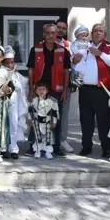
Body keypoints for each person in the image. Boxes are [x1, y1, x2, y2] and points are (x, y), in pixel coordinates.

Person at [72, 23, 110, 158]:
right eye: (95, 31)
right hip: (85, 89)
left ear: (105, 34)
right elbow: (74, 62)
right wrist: (74, 61)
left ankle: (107, 148)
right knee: (86, 120)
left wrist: (100, 54)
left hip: (102, 89)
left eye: (101, 31)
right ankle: (86, 147)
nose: (98, 33)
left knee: (103, 121)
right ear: (91, 33)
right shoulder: (83, 44)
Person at [26, 23, 70, 156]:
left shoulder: (63, 50)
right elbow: (31, 70)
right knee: (36, 117)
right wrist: (31, 89)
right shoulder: (36, 49)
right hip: (39, 89)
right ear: (44, 34)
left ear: (57, 34)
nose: (51, 35)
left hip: (56, 90)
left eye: (53, 33)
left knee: (55, 118)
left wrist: (65, 90)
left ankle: (56, 147)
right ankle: (33, 146)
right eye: (48, 33)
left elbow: (66, 71)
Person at [3, 46, 29, 159]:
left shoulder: (17, 76)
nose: (10, 65)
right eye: (7, 63)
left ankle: (13, 148)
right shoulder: (1, 73)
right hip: (2, 102)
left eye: (12, 63)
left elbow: (21, 88)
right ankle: (3, 148)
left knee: (13, 124)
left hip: (14, 103)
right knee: (3, 125)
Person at [55, 19, 75, 154]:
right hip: (49, 85)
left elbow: (73, 65)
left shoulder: (69, 45)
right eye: (59, 27)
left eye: (64, 28)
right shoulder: (45, 44)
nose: (61, 30)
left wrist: (72, 81)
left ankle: (62, 140)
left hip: (65, 84)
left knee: (64, 114)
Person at [28, 81, 59, 159]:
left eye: (43, 89)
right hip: (37, 121)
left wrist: (54, 122)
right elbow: (30, 111)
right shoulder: (34, 101)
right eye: (39, 89)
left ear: (47, 91)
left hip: (48, 122)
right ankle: (37, 151)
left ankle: (48, 152)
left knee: (48, 138)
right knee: (38, 138)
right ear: (36, 91)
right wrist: (30, 120)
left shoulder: (52, 101)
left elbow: (55, 112)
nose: (41, 91)